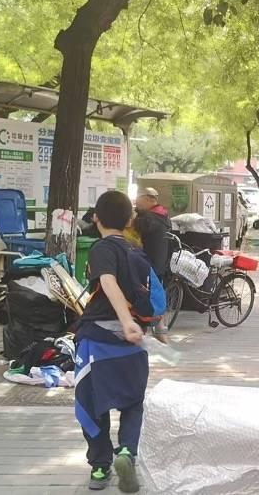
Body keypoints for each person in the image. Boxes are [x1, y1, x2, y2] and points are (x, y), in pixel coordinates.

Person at [74, 191, 147, 493]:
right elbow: (152, 296)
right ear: (130, 220)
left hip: (98, 340)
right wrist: (143, 327)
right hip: (133, 344)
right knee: (133, 402)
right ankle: (127, 451)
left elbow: (107, 281)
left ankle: (101, 466)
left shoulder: (102, 248)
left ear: (96, 218)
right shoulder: (136, 251)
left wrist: (125, 320)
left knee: (91, 404)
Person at [134, 188, 172, 343]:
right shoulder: (163, 215)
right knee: (156, 296)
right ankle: (160, 333)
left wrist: (133, 216)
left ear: (149, 199)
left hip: (150, 265)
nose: (136, 202)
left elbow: (139, 226)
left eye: (139, 199)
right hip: (160, 263)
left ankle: (159, 334)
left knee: (150, 298)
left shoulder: (151, 217)